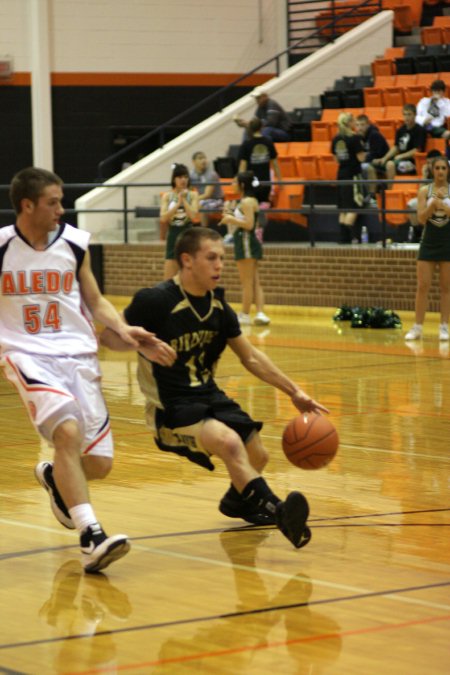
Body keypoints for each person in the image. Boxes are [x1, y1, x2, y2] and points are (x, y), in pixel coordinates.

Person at [102, 227, 329, 550]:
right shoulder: (155, 300)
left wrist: (294, 391)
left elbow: (250, 356)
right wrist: (137, 341)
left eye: (222, 258)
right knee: (231, 444)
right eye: (211, 258)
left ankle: (237, 504)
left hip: (207, 396)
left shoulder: (218, 307)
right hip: (171, 408)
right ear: (187, 260)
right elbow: (107, 338)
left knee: (257, 455)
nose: (220, 265)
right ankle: (280, 513)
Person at [0, 167, 175, 573]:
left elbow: (95, 300)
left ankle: (56, 481)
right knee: (67, 432)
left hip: (78, 356)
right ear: (27, 205)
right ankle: (91, 536)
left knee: (98, 464)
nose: (62, 209)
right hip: (27, 355)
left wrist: (123, 328)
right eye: (53, 202)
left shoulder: (76, 244)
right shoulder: (3, 246)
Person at [405, 156, 450, 342]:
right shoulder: (424, 191)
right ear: (432, 170)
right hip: (429, 242)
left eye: (443, 168)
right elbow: (422, 219)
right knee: (422, 286)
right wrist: (433, 203)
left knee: (446, 287)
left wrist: (443, 205)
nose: (440, 171)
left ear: (447, 170)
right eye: (437, 168)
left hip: (448, 242)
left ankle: (444, 326)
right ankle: (418, 326)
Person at [219, 171, 270, 326]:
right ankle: (260, 313)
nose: (232, 185)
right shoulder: (247, 201)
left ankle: (245, 314)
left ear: (241, 184)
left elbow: (248, 224)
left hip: (246, 241)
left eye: (234, 182)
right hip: (247, 241)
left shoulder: (247, 202)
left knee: (247, 282)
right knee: (254, 280)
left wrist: (230, 219)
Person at [160, 163, 199, 280]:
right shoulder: (167, 196)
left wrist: (184, 201)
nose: (183, 180)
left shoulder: (193, 195)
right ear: (174, 179)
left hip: (188, 233)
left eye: (185, 177)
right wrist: (177, 204)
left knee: (189, 274)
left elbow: (193, 215)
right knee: (169, 277)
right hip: (173, 233)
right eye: (180, 177)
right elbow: (163, 218)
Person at [331, 112, 366, 243]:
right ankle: (349, 235)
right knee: (354, 206)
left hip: (341, 174)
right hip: (353, 175)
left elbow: (336, 159)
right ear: (350, 123)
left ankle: (342, 236)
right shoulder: (355, 138)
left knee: (344, 207)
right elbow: (361, 158)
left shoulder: (336, 139)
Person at [372, 104, 427, 184]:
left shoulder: (420, 130)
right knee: (373, 164)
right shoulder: (400, 130)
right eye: (404, 114)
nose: (406, 117)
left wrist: (400, 156)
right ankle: (375, 192)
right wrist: (384, 158)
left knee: (390, 165)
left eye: (409, 114)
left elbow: (417, 150)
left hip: (412, 162)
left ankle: (390, 192)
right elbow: (396, 147)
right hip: (398, 159)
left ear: (415, 115)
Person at [237, 117, 282, 206]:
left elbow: (242, 166)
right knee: (263, 208)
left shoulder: (247, 144)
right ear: (261, 127)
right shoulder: (268, 142)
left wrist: (240, 184)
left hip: (250, 183)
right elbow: (275, 164)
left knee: (251, 210)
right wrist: (280, 181)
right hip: (265, 182)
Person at [355, 113, 390, 206]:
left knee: (365, 167)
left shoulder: (374, 135)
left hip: (383, 162)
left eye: (362, 125)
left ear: (368, 124)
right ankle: (360, 196)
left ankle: (372, 197)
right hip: (371, 160)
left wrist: (363, 157)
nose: (360, 127)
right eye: (357, 125)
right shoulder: (359, 137)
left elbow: (375, 154)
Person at [189, 151, 224, 229]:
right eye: (200, 158)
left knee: (201, 205)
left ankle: (204, 230)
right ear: (193, 162)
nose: (203, 160)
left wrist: (194, 200)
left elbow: (207, 194)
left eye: (204, 158)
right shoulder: (191, 174)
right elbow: (189, 190)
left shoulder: (211, 174)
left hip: (216, 200)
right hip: (202, 199)